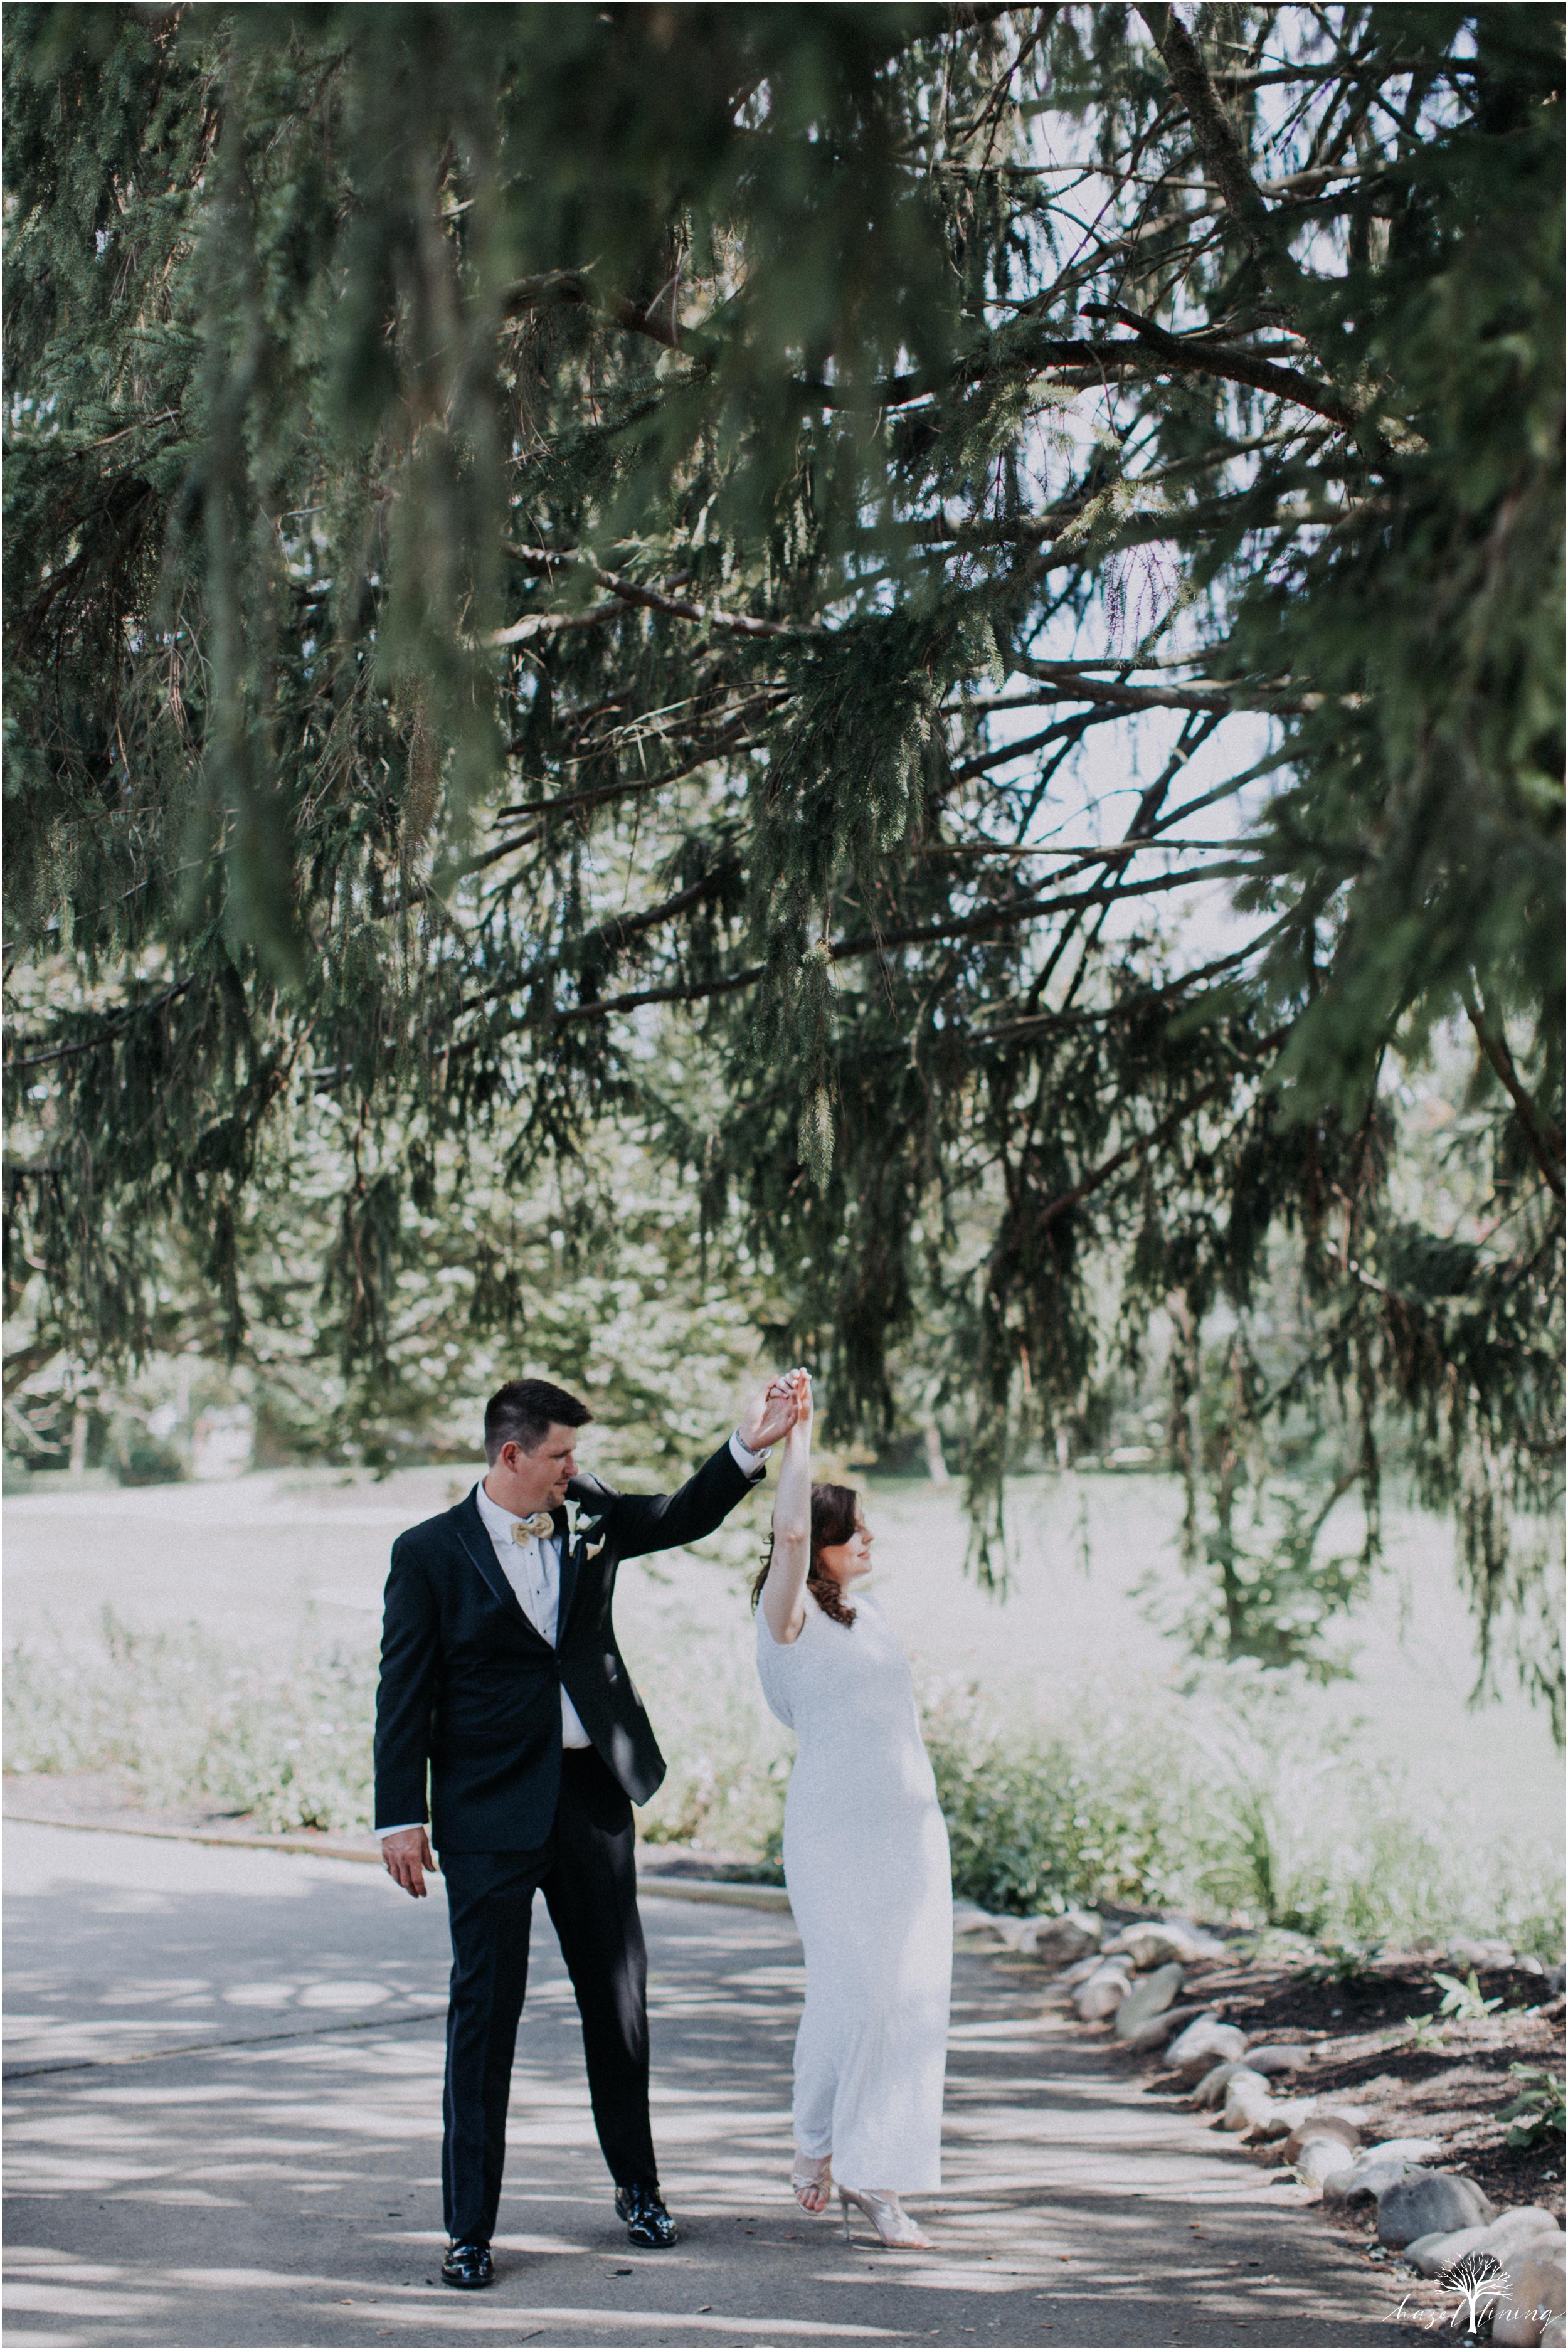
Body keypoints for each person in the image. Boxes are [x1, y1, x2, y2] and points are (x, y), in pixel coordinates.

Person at [375, 1372, 800, 2289]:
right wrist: (399, 1815)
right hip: (486, 1814)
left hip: (592, 1802)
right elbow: (402, 1695)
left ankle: (639, 2189)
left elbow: (685, 1515)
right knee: (484, 2019)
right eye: (562, 1456)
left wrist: (752, 1441)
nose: (578, 1470)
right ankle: (468, 2230)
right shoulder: (428, 1554)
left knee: (618, 2004)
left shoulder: (589, 1513)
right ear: (511, 1455)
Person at [752, 1370, 952, 2251]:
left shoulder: (870, 1617)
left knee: (908, 2000)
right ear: (819, 1545)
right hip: (834, 1835)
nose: (868, 1539)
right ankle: (815, 2144)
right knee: (852, 1994)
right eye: (854, 1530)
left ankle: (879, 2178)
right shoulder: (785, 1617)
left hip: (907, 1835)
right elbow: (788, 1527)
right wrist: (799, 1437)